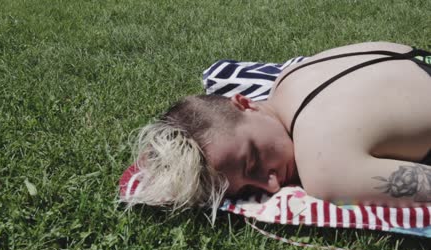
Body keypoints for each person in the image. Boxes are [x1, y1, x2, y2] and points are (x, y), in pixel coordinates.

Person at [123, 42, 431, 223]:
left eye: (253, 160)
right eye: (246, 190)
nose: (271, 185)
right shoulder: (292, 74)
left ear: (244, 103)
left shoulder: (324, 170)